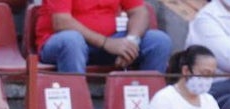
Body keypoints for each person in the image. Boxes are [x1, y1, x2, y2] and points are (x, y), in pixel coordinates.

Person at [34, 0, 172, 74]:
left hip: (108, 42)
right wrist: (106, 43)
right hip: (60, 43)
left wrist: (131, 42)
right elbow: (62, 22)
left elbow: (139, 12)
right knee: (72, 41)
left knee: (159, 41)